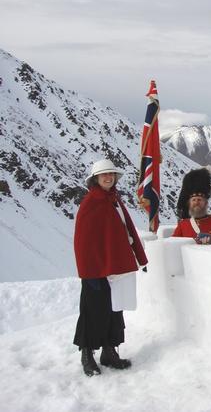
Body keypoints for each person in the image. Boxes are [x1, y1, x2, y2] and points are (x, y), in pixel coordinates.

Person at [73, 159, 148, 376]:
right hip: (96, 270)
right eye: (103, 174)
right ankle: (87, 355)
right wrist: (89, 272)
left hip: (115, 267)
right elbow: (83, 242)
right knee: (92, 311)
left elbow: (128, 230)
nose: (108, 177)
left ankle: (109, 352)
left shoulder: (113, 199)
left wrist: (140, 258)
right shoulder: (91, 202)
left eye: (111, 174)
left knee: (114, 310)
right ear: (95, 179)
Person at [172, 167, 211, 240]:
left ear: (206, 202)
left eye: (199, 199)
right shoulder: (183, 225)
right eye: (194, 200)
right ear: (189, 203)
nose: (196, 202)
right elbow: (172, 244)